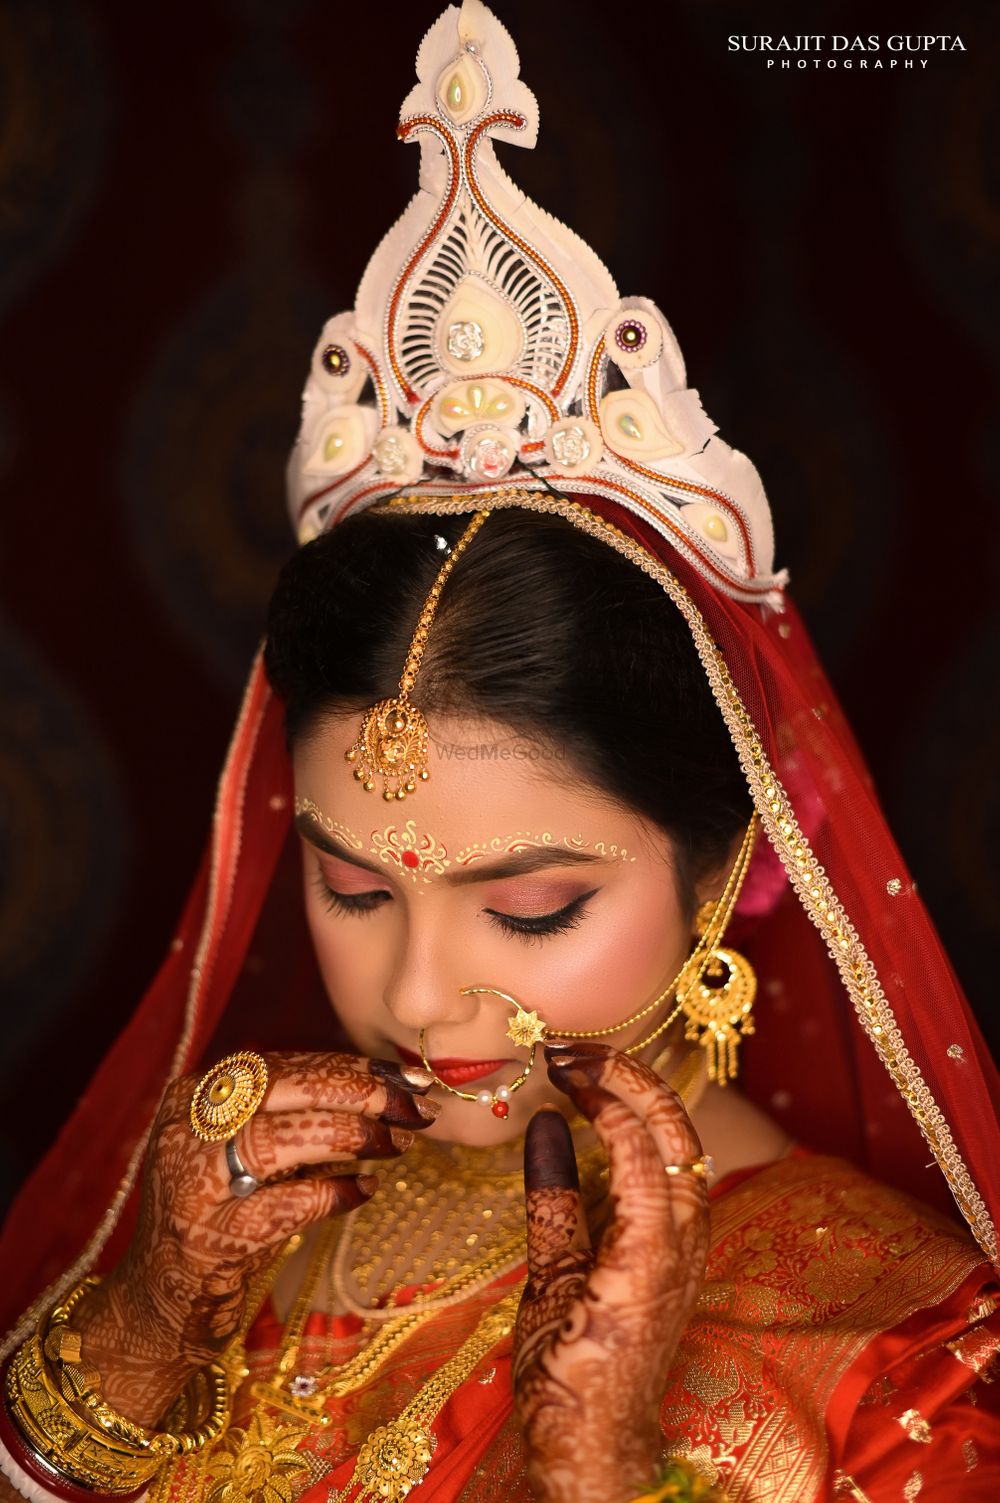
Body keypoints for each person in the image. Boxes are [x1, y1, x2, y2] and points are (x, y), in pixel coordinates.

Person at [1, 3, 997, 1501]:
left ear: (737, 862)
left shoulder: (906, 1347)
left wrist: (595, 1470)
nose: (413, 999)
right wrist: (143, 1332)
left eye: (531, 909)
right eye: (351, 888)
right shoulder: (251, 1242)